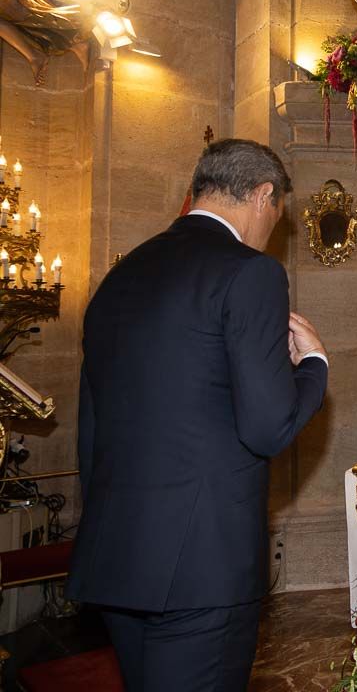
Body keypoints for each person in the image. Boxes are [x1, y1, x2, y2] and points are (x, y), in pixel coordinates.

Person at [66, 139, 329, 692]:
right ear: (263, 196)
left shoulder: (121, 276)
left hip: (117, 556)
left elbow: (91, 426)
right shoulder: (250, 273)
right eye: (276, 217)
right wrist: (313, 366)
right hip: (201, 564)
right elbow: (267, 428)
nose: (270, 234)